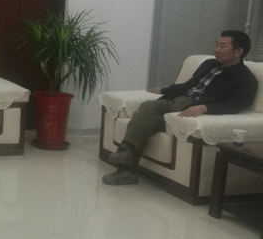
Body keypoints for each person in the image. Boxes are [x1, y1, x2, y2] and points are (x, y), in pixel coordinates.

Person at [103, 30, 258, 185]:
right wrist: (164, 90)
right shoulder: (209, 64)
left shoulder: (246, 79)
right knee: (148, 106)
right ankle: (126, 152)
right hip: (176, 100)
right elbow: (188, 85)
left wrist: (205, 107)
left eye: (222, 46)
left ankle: (127, 167)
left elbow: (236, 105)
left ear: (238, 51)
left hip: (189, 108)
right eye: (216, 44)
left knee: (143, 118)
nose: (216, 49)